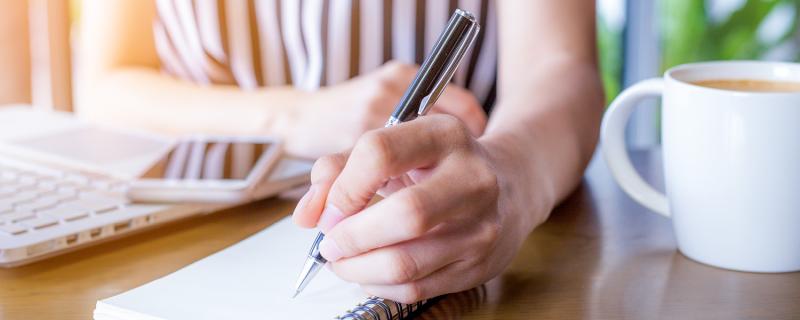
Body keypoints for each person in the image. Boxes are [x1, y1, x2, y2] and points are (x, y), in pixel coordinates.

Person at [80, 0, 603, 303]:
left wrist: (512, 175)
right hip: (175, 230)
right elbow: (104, 86)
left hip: (449, 233)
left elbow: (560, 67)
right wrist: (298, 116)